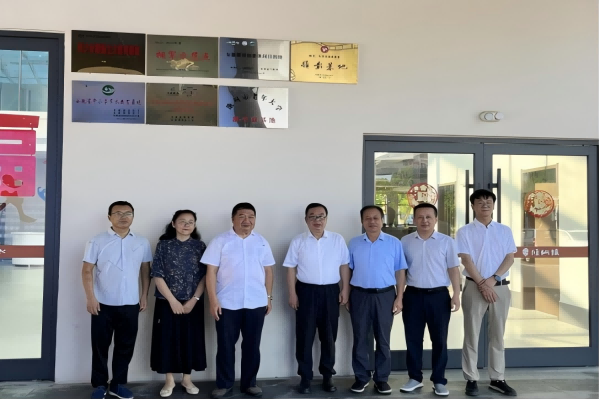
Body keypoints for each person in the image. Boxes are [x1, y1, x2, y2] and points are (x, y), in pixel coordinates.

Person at [201, 203, 275, 399]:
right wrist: (213, 300)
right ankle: (224, 384)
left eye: (251, 216)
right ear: (233, 219)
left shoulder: (261, 242)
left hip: (256, 302)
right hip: (227, 303)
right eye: (242, 216)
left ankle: (250, 383)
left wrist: (268, 297)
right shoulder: (220, 241)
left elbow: (268, 271)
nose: (246, 220)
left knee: (252, 345)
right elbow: (211, 272)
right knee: (225, 345)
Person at [82, 201, 152, 400]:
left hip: (130, 302)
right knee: (100, 346)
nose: (123, 217)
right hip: (102, 303)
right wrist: (90, 298)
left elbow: (145, 270)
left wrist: (144, 295)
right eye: (118, 213)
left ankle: (118, 384)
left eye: (128, 213)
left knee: (125, 346)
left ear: (133, 216)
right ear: (109, 217)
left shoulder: (142, 242)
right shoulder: (97, 241)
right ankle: (99, 385)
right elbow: (86, 271)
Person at [283, 203, 350, 394]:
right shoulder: (298, 241)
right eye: (312, 216)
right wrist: (292, 293)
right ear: (306, 220)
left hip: (331, 292)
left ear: (326, 219)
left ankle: (327, 376)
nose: (317, 220)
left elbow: (344, 265)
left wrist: (345, 289)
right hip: (305, 292)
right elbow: (290, 268)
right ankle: (305, 378)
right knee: (304, 336)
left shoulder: (337, 239)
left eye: (321, 216)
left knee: (329, 337)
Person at [457, 189, 517, 397]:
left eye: (488, 201)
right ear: (472, 206)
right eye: (480, 201)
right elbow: (466, 260)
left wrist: (493, 280)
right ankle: (471, 378)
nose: (485, 204)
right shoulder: (464, 231)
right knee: (471, 334)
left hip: (499, 287)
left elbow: (510, 257)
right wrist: (483, 284)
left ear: (493, 204)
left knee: (498, 334)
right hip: (474, 287)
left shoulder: (504, 230)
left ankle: (497, 378)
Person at [399, 203, 461, 396]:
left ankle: (439, 380)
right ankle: (415, 378)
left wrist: (456, 294)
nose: (424, 220)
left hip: (439, 296)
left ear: (435, 219)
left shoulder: (446, 241)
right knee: (413, 339)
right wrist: (399, 296)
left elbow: (453, 269)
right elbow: (401, 271)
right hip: (413, 296)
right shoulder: (405, 241)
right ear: (414, 219)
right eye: (420, 217)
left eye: (428, 217)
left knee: (440, 340)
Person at [345, 205, 407, 395]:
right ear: (362, 221)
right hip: (359, 295)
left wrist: (399, 297)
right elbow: (348, 270)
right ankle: (361, 377)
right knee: (360, 338)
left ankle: (381, 379)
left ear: (382, 220)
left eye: (376, 218)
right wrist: (346, 293)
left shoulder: (394, 243)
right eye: (367, 218)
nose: (372, 221)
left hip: (385, 295)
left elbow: (400, 271)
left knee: (383, 339)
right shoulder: (354, 243)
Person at [150, 210, 207, 398]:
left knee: (190, 339)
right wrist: (172, 300)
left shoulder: (200, 246)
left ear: (195, 225)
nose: (186, 225)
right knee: (167, 339)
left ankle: (187, 379)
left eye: (190, 222)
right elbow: (157, 274)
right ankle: (169, 380)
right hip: (166, 302)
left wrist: (194, 300)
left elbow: (205, 276)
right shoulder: (164, 245)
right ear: (173, 224)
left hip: (193, 302)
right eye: (182, 221)